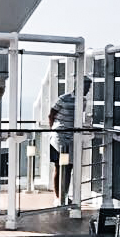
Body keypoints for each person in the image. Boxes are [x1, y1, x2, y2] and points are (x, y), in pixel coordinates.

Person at [48, 75, 92, 205]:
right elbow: (51, 114)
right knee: (59, 166)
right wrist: (53, 130)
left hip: (73, 138)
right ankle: (58, 198)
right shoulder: (63, 98)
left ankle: (65, 195)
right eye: (87, 86)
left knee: (69, 167)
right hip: (59, 138)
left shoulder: (83, 101)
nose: (88, 90)